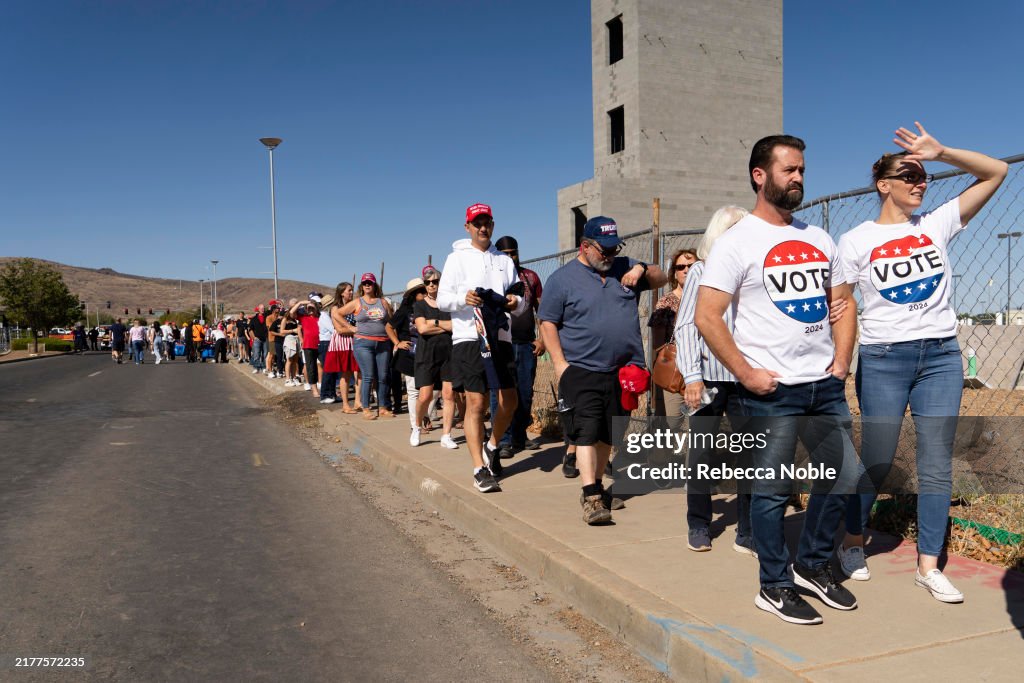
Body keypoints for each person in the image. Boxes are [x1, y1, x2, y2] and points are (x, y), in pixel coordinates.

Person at [837, 123, 1007, 603]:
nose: (920, 181)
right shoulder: (856, 240)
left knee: (937, 463)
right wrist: (839, 358)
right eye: (909, 174)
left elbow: (995, 173)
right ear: (883, 184)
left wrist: (942, 152)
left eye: (924, 175)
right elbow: (842, 303)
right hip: (884, 357)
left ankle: (929, 566)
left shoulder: (935, 223)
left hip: (940, 356)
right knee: (878, 457)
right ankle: (852, 541)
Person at [695, 134, 861, 625]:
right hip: (770, 391)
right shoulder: (737, 242)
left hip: (824, 384)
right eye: (790, 170)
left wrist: (842, 359)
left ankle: (811, 566)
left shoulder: (818, 237)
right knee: (772, 490)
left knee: (845, 474)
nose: (799, 178)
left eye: (802, 170)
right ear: (759, 176)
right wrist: (745, 372)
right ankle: (773, 584)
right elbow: (708, 316)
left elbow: (844, 302)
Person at [539, 216, 668, 524]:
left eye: (614, 250)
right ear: (585, 246)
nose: (609, 257)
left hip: (622, 370)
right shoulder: (562, 279)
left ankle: (596, 485)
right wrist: (560, 365)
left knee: (609, 432)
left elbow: (662, 277)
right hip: (581, 368)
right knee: (585, 431)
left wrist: (640, 267)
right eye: (604, 251)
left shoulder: (624, 267)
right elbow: (547, 323)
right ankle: (591, 495)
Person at [437, 204, 528, 493]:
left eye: (486, 222)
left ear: (492, 224)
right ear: (467, 227)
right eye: (477, 223)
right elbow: (442, 300)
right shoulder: (456, 258)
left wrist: (516, 304)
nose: (482, 228)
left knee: (509, 401)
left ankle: (490, 446)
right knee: (476, 403)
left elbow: (519, 297)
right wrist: (463, 299)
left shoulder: (504, 260)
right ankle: (479, 468)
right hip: (469, 337)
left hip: (500, 336)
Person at [493, 236, 545, 456]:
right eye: (505, 253)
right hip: (500, 344)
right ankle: (501, 441)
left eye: (513, 252)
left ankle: (519, 436)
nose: (510, 257)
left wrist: (542, 338)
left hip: (525, 344)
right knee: (501, 394)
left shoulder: (530, 277)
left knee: (525, 392)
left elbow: (542, 311)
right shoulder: (491, 279)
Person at [336, 273, 395, 419]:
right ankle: (366, 408)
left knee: (383, 376)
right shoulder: (357, 302)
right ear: (362, 286)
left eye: (370, 282)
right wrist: (350, 327)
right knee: (368, 375)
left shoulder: (383, 302)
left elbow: (391, 322)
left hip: (383, 343)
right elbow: (337, 314)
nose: (367, 285)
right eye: (365, 283)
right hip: (363, 344)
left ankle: (382, 407)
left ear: (375, 285)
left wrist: (395, 341)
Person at [413, 266, 459, 449]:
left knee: (449, 394)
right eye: (428, 282)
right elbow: (422, 329)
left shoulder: (449, 304)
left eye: (435, 281)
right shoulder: (420, 305)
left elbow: (456, 326)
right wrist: (445, 326)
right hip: (427, 355)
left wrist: (436, 322)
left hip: (449, 353)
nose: (432, 285)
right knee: (425, 396)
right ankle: (416, 426)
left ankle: (446, 435)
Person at [649, 248, 698, 418]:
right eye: (680, 267)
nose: (686, 270)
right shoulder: (666, 302)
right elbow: (657, 343)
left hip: (703, 367)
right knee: (674, 420)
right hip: (676, 368)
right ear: (674, 273)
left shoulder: (707, 299)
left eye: (691, 266)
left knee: (700, 420)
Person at [387, 278, 426, 435]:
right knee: (413, 390)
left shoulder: (427, 308)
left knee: (427, 390)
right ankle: (415, 425)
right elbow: (389, 326)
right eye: (422, 292)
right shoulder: (404, 311)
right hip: (409, 355)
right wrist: (397, 342)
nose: (425, 293)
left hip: (426, 354)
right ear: (414, 294)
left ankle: (424, 418)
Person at [293, 294, 323, 394]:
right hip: (308, 345)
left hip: (320, 344)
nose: (310, 310)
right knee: (311, 367)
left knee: (324, 365)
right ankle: (314, 389)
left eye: (312, 308)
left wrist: (314, 305)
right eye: (308, 308)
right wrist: (301, 303)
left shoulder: (321, 317)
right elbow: (292, 312)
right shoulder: (303, 318)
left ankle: (323, 385)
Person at [249, 305, 268, 374]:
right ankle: (256, 367)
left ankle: (264, 367)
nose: (263, 310)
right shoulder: (254, 319)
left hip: (265, 338)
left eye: (263, 308)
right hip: (257, 339)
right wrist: (254, 337)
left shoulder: (267, 317)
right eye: (261, 308)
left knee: (265, 354)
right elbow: (250, 329)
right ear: (258, 309)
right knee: (256, 353)